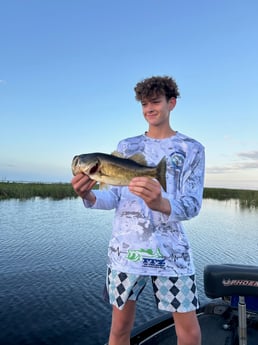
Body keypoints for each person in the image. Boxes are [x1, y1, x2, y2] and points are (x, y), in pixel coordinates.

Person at [71, 76, 205, 345]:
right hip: (125, 254)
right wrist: (87, 194)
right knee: (119, 329)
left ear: (172, 103)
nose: (149, 109)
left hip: (172, 254)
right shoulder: (126, 146)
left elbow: (192, 205)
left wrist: (161, 204)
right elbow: (113, 199)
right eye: (144, 104)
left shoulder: (192, 149)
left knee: (188, 332)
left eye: (155, 102)